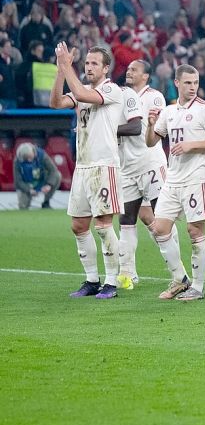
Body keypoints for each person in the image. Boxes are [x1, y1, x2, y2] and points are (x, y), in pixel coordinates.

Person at [49, 43, 125, 299]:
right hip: (83, 167)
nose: (89, 67)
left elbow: (79, 93)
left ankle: (112, 282)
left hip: (104, 166)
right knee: (79, 225)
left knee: (103, 226)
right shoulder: (82, 90)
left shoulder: (111, 89)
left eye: (94, 63)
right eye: (87, 62)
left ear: (106, 68)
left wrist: (66, 66)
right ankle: (92, 280)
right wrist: (61, 70)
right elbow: (56, 102)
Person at [146, 65, 205, 301]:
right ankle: (180, 279)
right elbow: (151, 142)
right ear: (177, 83)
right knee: (159, 229)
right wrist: (150, 125)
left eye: (196, 83)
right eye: (188, 83)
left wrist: (193, 145)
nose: (193, 87)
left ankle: (198, 288)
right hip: (173, 178)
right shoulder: (169, 112)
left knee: (194, 230)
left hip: (196, 177)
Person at [116, 60, 181, 290]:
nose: (129, 72)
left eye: (134, 69)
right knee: (126, 220)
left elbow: (143, 129)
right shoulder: (121, 95)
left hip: (151, 165)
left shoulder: (154, 97)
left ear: (146, 76)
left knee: (161, 217)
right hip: (127, 168)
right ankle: (127, 273)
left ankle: (177, 271)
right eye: (128, 69)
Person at [14, 142, 61, 210]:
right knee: (23, 207)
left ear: (33, 152)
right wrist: (29, 190)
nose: (29, 160)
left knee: (58, 176)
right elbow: (18, 181)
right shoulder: (17, 161)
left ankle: (46, 202)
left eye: (30, 157)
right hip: (27, 184)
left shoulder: (42, 155)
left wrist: (49, 184)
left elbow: (53, 170)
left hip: (41, 181)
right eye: (26, 158)